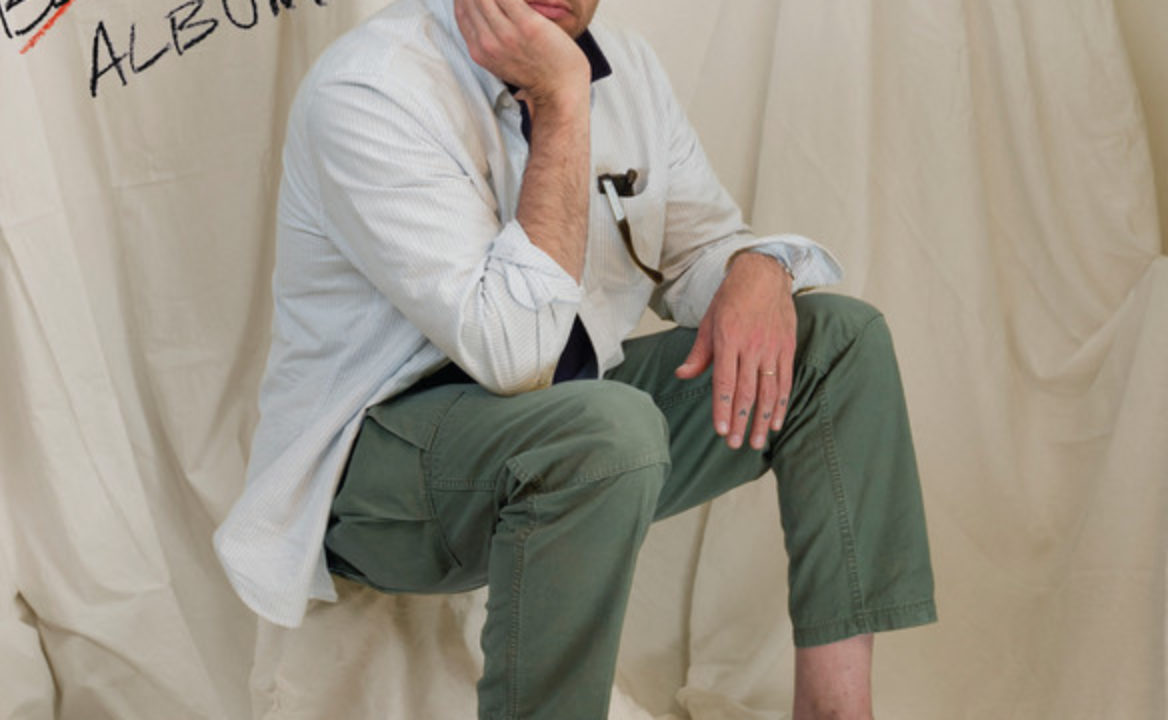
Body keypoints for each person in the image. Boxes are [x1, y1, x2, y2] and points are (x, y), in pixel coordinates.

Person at [213, 0, 937, 717]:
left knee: (835, 345)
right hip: (376, 477)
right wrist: (562, 104)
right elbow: (515, 355)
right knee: (605, 426)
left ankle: (835, 711)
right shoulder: (374, 86)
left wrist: (757, 265)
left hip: (575, 422)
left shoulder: (626, 68)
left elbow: (698, 249)